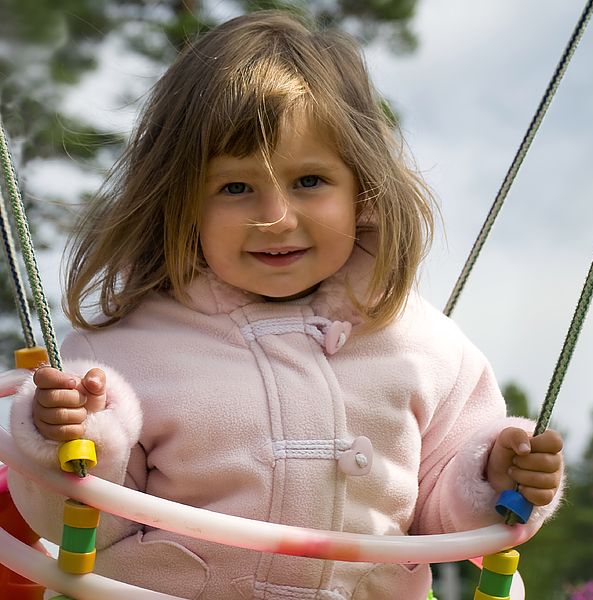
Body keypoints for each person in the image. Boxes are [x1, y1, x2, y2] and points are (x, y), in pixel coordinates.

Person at [9, 10, 564, 599]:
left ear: (364, 194)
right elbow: (79, 526)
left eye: (309, 182)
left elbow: (443, 514)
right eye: (236, 187)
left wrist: (495, 480)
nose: (276, 217)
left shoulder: (426, 348)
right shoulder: (118, 355)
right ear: (181, 204)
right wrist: (72, 436)